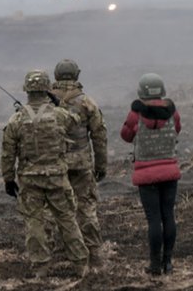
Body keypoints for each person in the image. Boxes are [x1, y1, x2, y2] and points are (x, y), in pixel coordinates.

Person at [0, 70, 89, 278]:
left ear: (27, 91)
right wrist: (58, 103)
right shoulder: (59, 115)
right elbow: (75, 122)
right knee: (67, 219)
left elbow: (7, 153)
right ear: (47, 90)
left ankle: (40, 267)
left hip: (29, 179)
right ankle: (80, 264)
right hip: (57, 177)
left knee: (34, 222)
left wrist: (8, 179)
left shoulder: (16, 119)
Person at [120, 73, 181, 275]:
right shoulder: (173, 113)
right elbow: (177, 130)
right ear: (162, 91)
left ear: (141, 92)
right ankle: (168, 262)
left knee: (154, 220)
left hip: (146, 175)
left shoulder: (135, 115)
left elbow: (126, 136)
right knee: (168, 216)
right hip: (170, 172)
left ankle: (155, 265)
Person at [50, 59, 107, 263]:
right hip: (82, 164)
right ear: (76, 76)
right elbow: (99, 136)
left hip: (54, 165)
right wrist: (101, 166)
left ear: (56, 76)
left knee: (54, 208)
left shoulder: (45, 103)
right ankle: (95, 253)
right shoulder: (87, 102)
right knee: (86, 207)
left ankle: (54, 253)